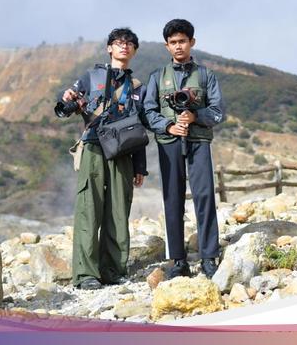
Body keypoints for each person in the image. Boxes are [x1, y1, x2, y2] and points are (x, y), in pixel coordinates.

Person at [56, 28, 147, 290]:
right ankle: (86, 275)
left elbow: (139, 128)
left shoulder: (138, 88)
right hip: (93, 149)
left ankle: (113, 270)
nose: (124, 47)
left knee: (119, 212)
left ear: (134, 50)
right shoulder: (90, 76)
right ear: (109, 48)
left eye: (129, 44)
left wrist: (140, 166)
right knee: (89, 210)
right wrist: (67, 97)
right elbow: (67, 101)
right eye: (119, 43)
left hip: (123, 154)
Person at [144, 19, 225, 279]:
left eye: (182, 41)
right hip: (169, 143)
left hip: (198, 141)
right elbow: (148, 111)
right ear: (166, 46)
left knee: (204, 196)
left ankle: (209, 256)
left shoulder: (205, 75)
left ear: (192, 42)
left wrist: (195, 116)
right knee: (172, 199)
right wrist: (168, 126)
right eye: (173, 42)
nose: (178, 46)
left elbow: (217, 111)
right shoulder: (157, 77)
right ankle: (178, 260)